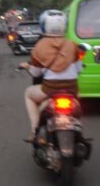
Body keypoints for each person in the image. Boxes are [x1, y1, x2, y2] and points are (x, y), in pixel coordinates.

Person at [20, 9, 82, 141]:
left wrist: (26, 66)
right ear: (64, 25)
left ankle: (35, 129)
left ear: (43, 25)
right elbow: (78, 70)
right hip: (72, 90)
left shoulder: (39, 47)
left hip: (49, 90)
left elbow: (35, 73)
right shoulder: (72, 45)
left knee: (28, 94)